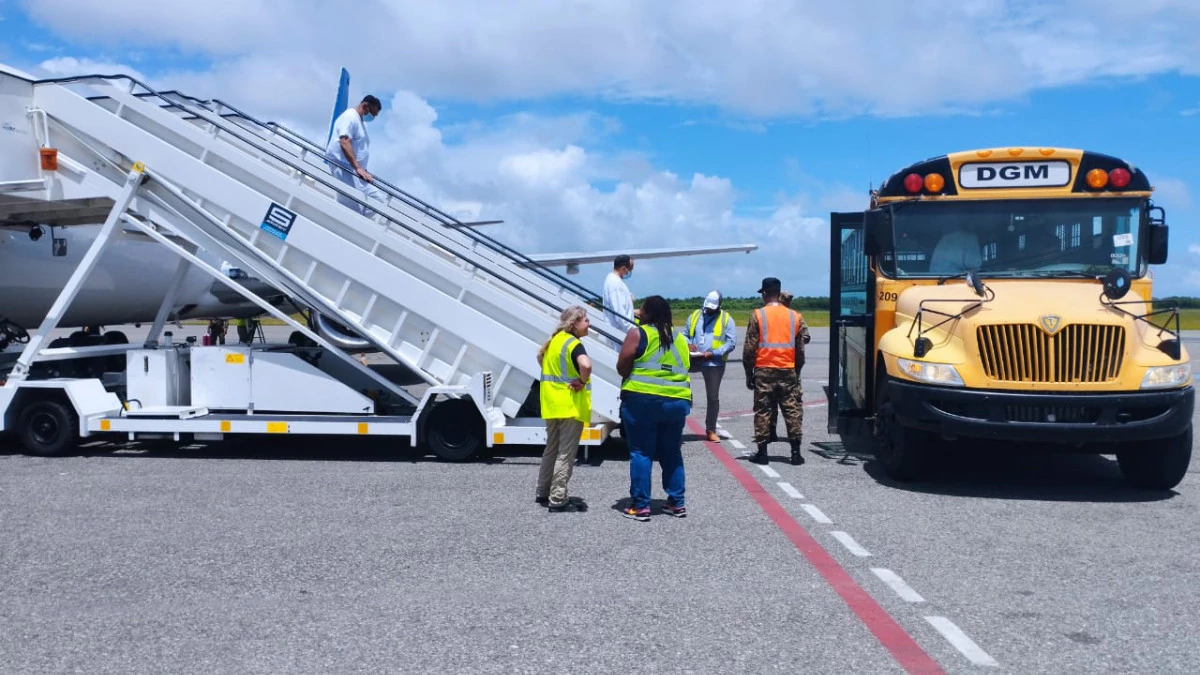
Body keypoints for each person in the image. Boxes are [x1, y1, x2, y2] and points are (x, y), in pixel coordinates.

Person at [616, 295, 691, 521]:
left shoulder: (639, 334)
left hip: (642, 400)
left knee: (641, 452)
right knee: (672, 452)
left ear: (647, 313)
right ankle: (676, 503)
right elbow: (686, 365)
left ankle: (641, 506)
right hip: (677, 401)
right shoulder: (680, 338)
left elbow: (622, 367)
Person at [743, 277, 808, 466]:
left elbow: (749, 349)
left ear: (764, 294)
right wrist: (797, 371)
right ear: (779, 294)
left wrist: (749, 373)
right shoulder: (795, 316)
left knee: (763, 411)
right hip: (787, 369)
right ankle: (795, 453)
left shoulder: (758, 315)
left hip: (764, 370)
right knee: (791, 409)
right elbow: (800, 350)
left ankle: (762, 453)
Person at [536, 306, 593, 513]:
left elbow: (540, 358)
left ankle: (543, 491)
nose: (589, 324)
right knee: (565, 453)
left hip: (552, 403)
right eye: (585, 320)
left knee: (551, 448)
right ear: (574, 323)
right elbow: (586, 365)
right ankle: (558, 498)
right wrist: (581, 381)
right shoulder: (573, 343)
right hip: (569, 404)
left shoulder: (554, 341)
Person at [683, 290, 736, 442]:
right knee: (676, 379)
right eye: (707, 307)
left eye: (712, 308)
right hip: (693, 358)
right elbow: (685, 334)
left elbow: (731, 343)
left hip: (714, 362)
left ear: (719, 305)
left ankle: (711, 429)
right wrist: (688, 344)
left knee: (712, 397)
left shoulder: (727, 319)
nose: (709, 310)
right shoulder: (695, 315)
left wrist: (713, 353)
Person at [324, 95, 383, 217]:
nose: (372, 117)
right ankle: (345, 220)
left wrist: (363, 169)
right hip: (343, 167)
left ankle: (355, 220)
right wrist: (358, 167)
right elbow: (344, 142)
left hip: (355, 171)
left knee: (377, 200)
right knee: (351, 205)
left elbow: (359, 148)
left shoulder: (362, 123)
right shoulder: (350, 117)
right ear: (365, 106)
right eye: (372, 113)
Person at [767, 291, 808, 442]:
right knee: (792, 402)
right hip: (790, 366)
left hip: (776, 364)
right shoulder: (796, 317)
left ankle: (774, 431)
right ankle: (794, 433)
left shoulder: (792, 317)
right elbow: (805, 337)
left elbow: (805, 337)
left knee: (773, 400)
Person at [603, 255, 637, 343]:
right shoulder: (615, 283)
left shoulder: (614, 281)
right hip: (620, 333)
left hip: (621, 332)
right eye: (630, 270)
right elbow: (619, 312)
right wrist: (633, 331)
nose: (629, 273)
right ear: (623, 268)